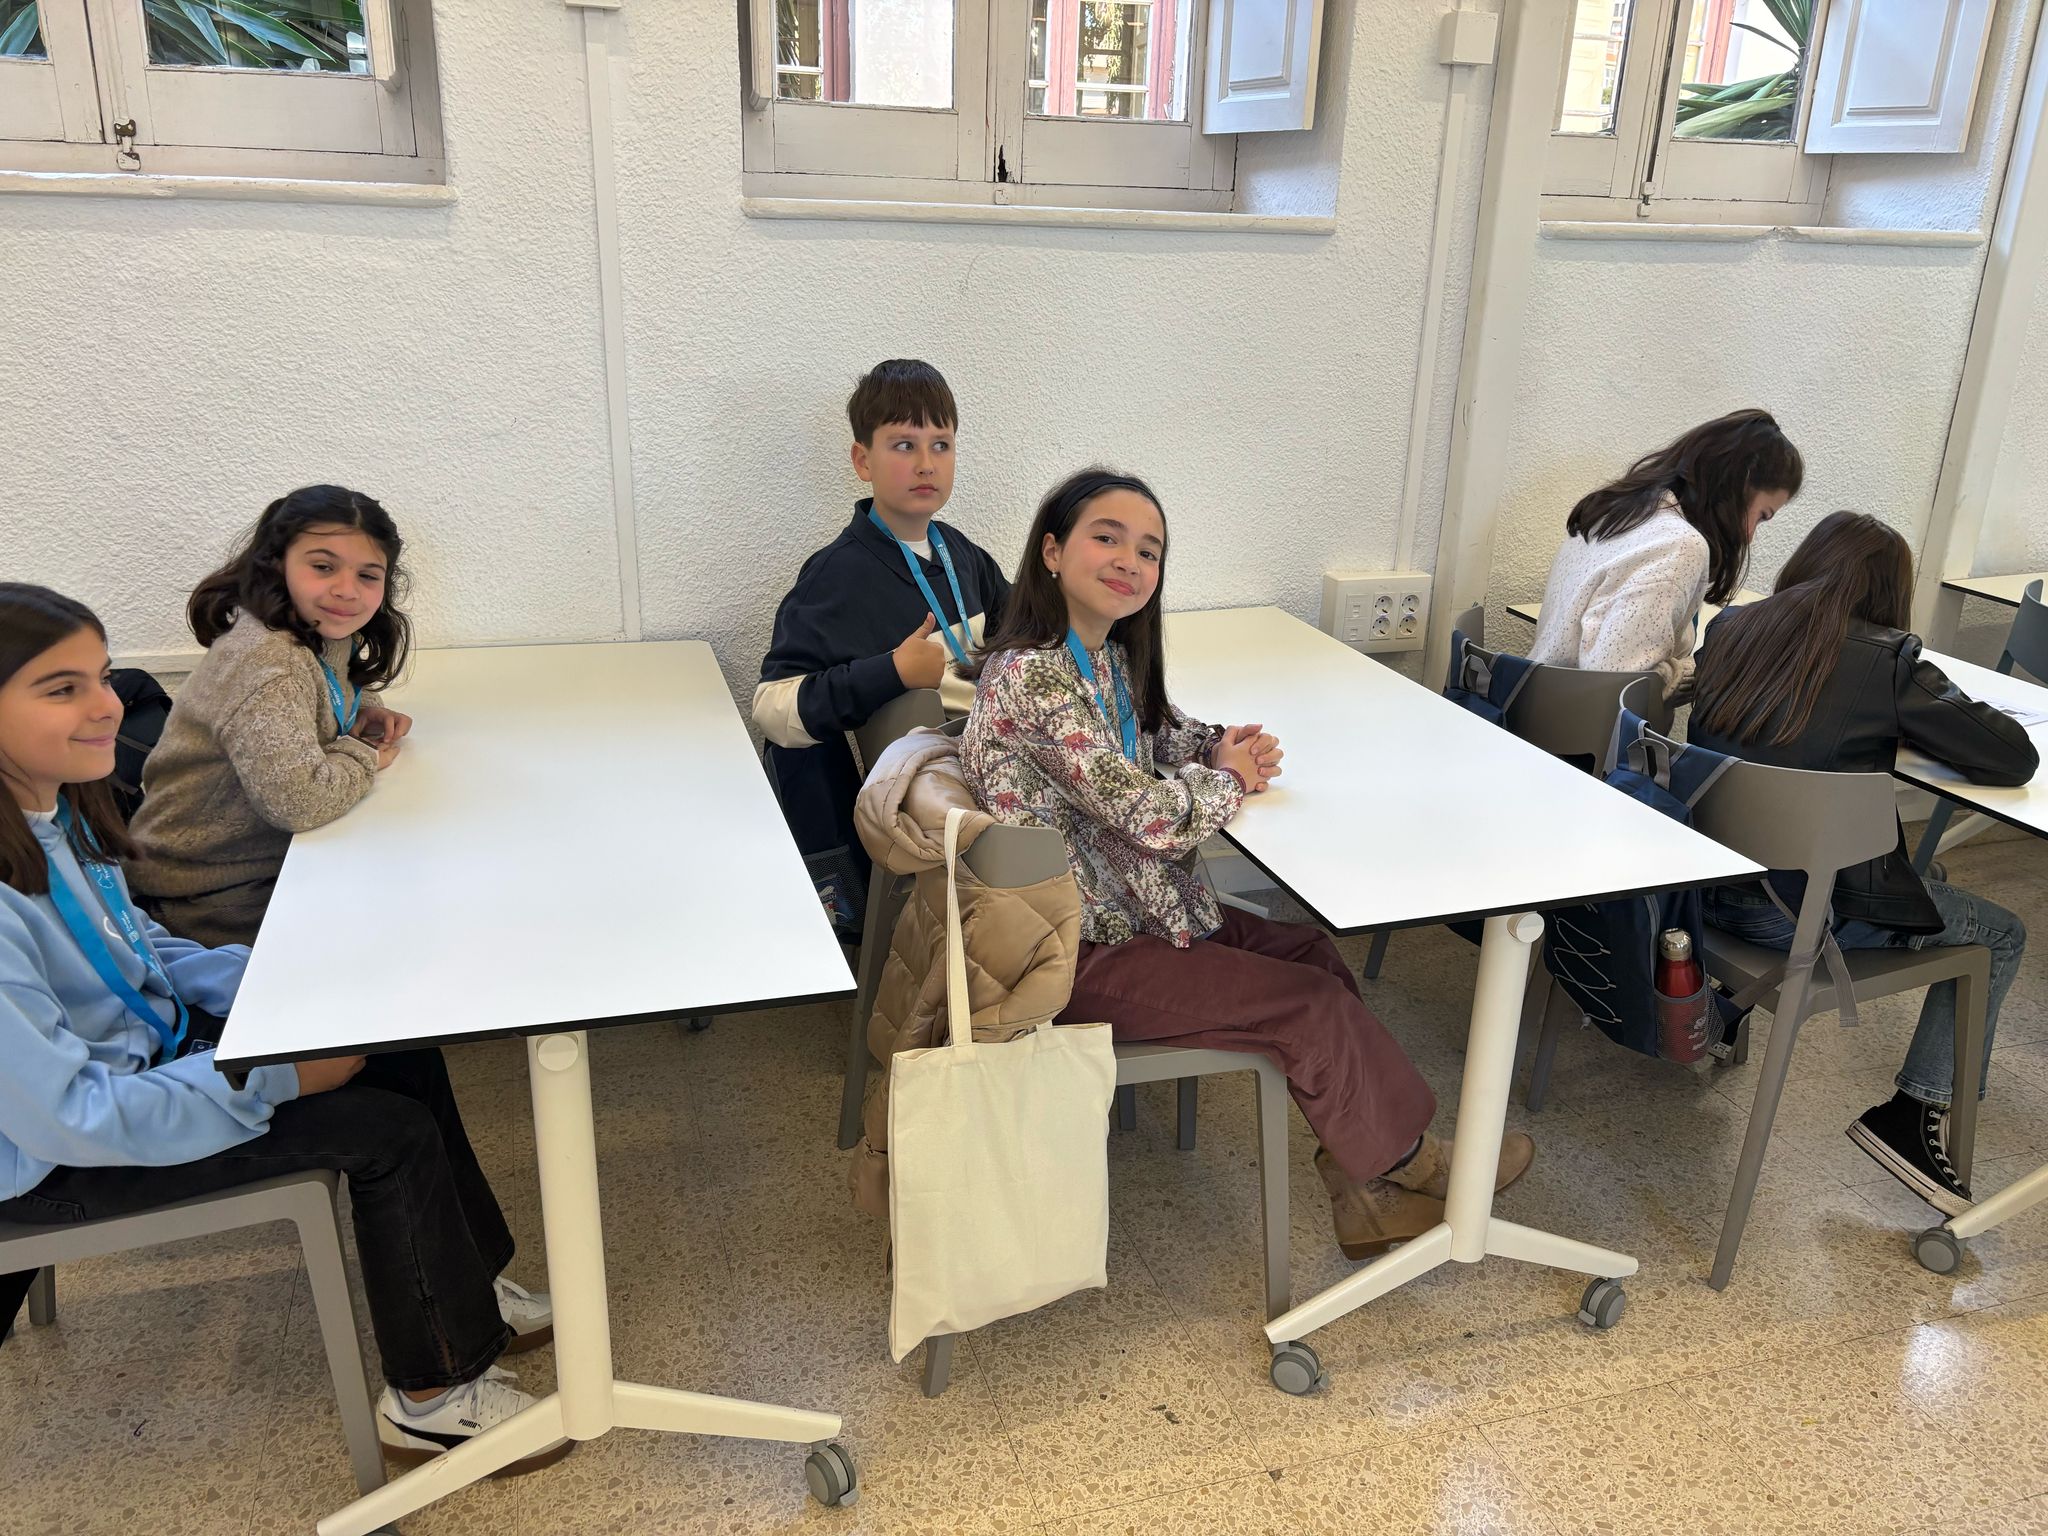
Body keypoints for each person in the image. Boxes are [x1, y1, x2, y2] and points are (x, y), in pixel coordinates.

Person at [0, 583, 561, 1467]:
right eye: (61, 689)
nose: (108, 705)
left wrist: (283, 985)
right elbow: (69, 1116)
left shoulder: (55, 811)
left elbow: (141, 951)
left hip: (140, 1065)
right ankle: (431, 1396)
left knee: (402, 1050)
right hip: (54, 1160)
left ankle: (466, 1291)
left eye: (103, 677)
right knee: (386, 1133)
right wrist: (276, 1076)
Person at [961, 468, 1534, 1258]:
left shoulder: (1099, 657)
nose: (1130, 560)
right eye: (1107, 538)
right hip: (1072, 950)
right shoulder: (1033, 675)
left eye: (1149, 550)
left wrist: (1220, 746)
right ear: (1052, 552)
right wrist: (1229, 780)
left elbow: (1158, 731)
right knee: (1308, 1005)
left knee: (1312, 953)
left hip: (1132, 909)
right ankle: (1417, 1166)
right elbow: (1151, 817)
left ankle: (1367, 1189)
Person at [1691, 512, 2036, 1215]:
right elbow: (2011, 756)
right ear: (1887, 592)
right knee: (2001, 933)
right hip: (1796, 916)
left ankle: (1725, 1006)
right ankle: (1914, 1116)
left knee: (1929, 882)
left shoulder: (1732, 628)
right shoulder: (1887, 660)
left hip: (1702, 889)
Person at [754, 360, 1010, 936]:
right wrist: (890, 671)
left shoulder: (962, 554)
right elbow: (773, 707)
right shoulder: (836, 578)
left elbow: (1022, 634)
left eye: (941, 445)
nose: (926, 463)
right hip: (936, 796)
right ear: (862, 460)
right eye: (903, 444)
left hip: (993, 760)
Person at [127, 485, 414, 947]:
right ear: (276, 564)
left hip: (261, 863)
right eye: (323, 567)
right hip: (201, 894)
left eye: (368, 575)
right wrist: (361, 753)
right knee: (392, 927)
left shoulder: (317, 630)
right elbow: (299, 802)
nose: (347, 590)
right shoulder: (267, 661)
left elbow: (319, 690)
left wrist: (361, 711)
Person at [1530, 408, 1803, 697]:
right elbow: (1619, 682)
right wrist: (1698, 671)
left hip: (1533, 701)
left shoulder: (1614, 511)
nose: (1749, 536)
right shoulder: (1680, 545)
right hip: (1577, 719)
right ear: (1740, 483)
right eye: (1762, 516)